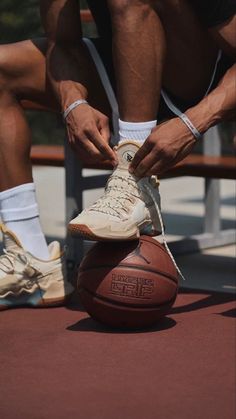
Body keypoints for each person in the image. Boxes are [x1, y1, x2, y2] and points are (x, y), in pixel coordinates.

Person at [0, 0, 235, 308]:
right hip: (130, 65)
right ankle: (29, 260)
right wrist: (74, 102)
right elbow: (63, 43)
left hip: (207, 74)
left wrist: (193, 123)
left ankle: (134, 178)